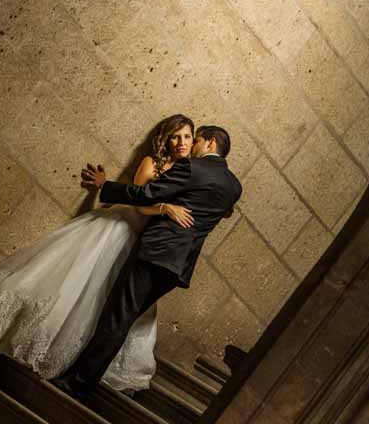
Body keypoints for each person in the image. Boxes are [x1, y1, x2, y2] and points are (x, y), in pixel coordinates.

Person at [0, 115, 198, 392]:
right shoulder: (152, 162)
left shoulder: (193, 173)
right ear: (165, 139)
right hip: (120, 229)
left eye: (187, 136)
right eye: (175, 136)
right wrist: (163, 207)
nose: (181, 142)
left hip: (146, 245)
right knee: (62, 284)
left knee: (107, 304)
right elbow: (139, 201)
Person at [53, 125, 242, 400]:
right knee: (125, 318)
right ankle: (82, 381)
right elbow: (217, 211)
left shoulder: (193, 167)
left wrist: (105, 187)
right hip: (179, 266)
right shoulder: (235, 186)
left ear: (211, 143)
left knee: (117, 317)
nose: (192, 146)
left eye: (197, 140)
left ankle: (78, 384)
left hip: (156, 252)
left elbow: (146, 194)